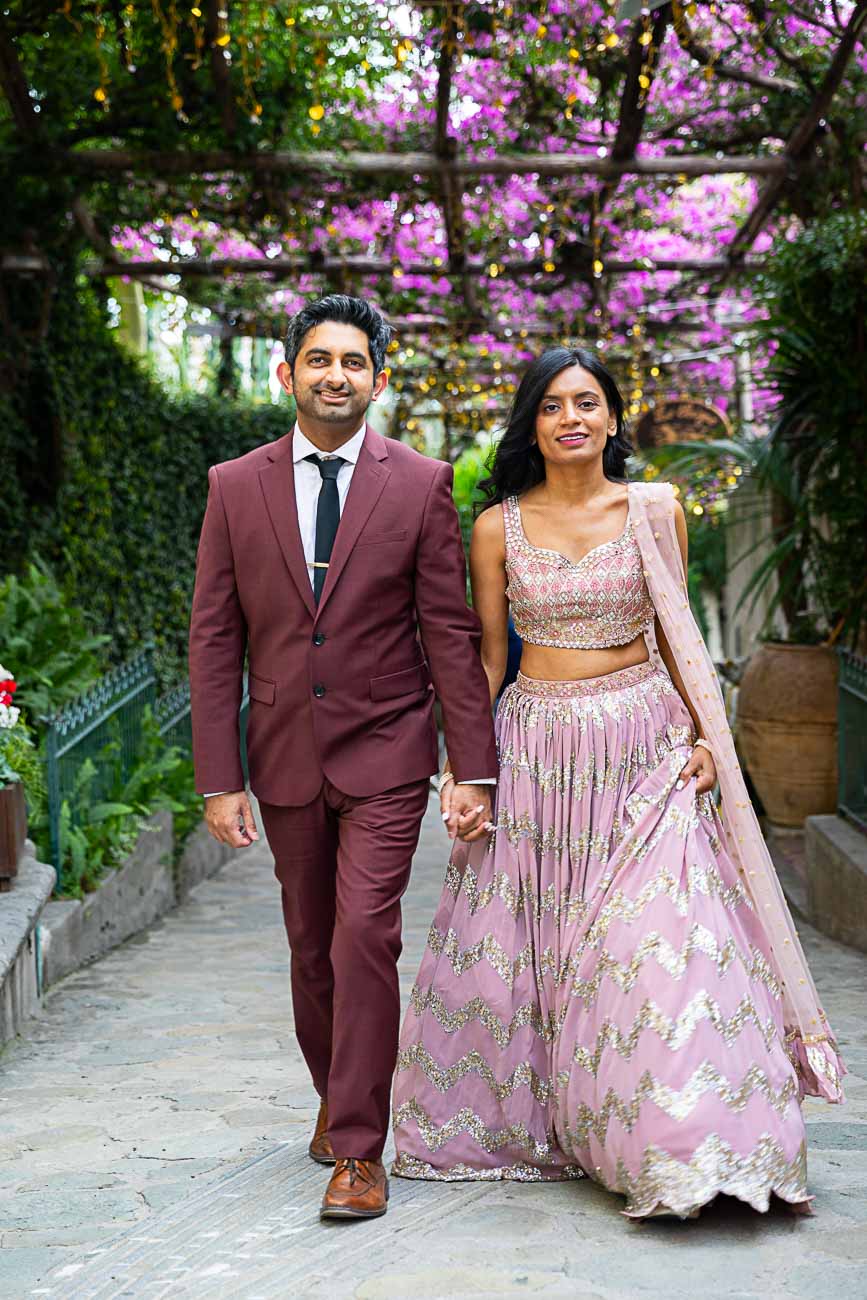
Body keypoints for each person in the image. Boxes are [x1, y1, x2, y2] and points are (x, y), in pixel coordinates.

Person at [392, 347, 845, 1218]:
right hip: (536, 752)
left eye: (588, 402)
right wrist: (464, 768)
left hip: (646, 745)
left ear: (611, 418)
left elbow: (677, 636)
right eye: (553, 405)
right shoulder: (496, 527)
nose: (571, 418)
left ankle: (687, 1147)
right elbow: (487, 660)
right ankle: (563, 1122)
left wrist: (710, 740)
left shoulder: (654, 509)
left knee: (659, 947)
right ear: (532, 422)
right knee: (531, 951)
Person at [189, 295, 497, 1220]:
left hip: (389, 748)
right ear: (288, 374)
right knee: (310, 947)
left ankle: (360, 1151)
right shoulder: (232, 484)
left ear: (378, 379)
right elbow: (214, 638)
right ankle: (337, 1091)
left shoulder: (420, 482)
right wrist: (218, 776)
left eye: (353, 361)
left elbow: (448, 630)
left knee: (366, 935)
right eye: (318, 360)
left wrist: (469, 766)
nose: (335, 375)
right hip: (281, 753)